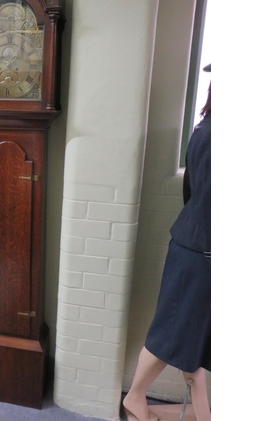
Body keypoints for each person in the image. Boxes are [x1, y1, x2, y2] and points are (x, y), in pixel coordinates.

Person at [123, 65, 211, 421]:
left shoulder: (206, 129)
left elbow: (191, 193)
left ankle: (203, 412)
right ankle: (136, 397)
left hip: (199, 245)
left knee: (196, 338)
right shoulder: (214, 134)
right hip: (200, 251)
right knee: (174, 332)